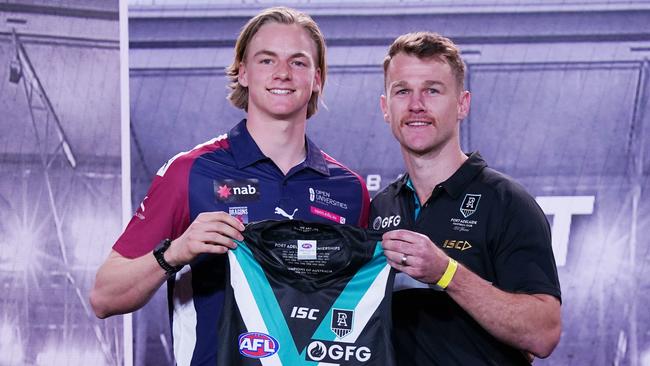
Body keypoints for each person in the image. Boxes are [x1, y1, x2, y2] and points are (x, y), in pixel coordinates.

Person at [90, 7, 369, 366]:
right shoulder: (189, 171)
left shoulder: (349, 189)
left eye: (298, 62)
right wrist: (176, 252)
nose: (283, 73)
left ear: (317, 78)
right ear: (242, 73)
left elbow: (357, 309)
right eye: (267, 60)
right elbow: (104, 297)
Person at [369, 32, 561, 365]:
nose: (416, 105)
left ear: (462, 103)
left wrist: (446, 273)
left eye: (432, 90)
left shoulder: (506, 202)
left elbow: (542, 334)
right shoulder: (380, 207)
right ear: (386, 107)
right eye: (403, 91)